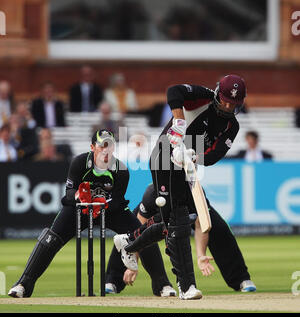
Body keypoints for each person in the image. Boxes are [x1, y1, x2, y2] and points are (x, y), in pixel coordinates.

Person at [114, 74, 250, 300]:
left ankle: (129, 241)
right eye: (225, 100)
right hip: (163, 156)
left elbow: (215, 154)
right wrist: (178, 122)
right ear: (217, 93)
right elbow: (174, 91)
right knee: (177, 222)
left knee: (174, 221)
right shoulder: (202, 97)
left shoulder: (231, 125)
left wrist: (195, 156)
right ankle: (186, 286)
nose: (228, 106)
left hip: (186, 166)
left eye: (233, 103)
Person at [8, 129, 175, 298]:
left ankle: (162, 285)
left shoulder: (121, 169)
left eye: (109, 146)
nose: (106, 150)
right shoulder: (80, 163)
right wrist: (80, 197)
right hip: (78, 209)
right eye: (102, 145)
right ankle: (23, 285)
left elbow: (117, 202)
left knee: (143, 236)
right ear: (92, 147)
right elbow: (69, 192)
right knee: (49, 239)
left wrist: (100, 204)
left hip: (111, 211)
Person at [112, 183, 256, 293]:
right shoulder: (152, 194)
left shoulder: (195, 193)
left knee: (220, 230)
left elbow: (201, 226)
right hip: (158, 211)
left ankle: (241, 279)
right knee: (129, 233)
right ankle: (115, 280)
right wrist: (132, 264)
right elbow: (138, 231)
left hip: (187, 212)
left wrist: (201, 255)